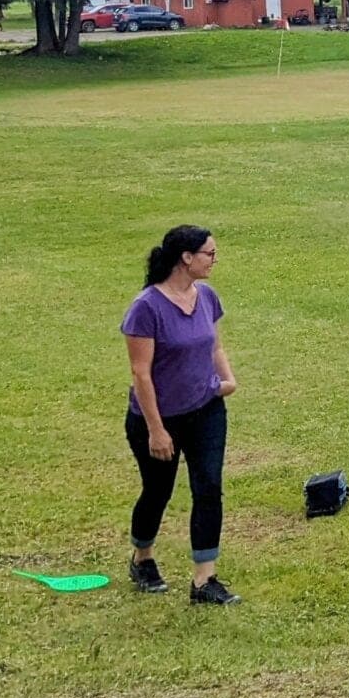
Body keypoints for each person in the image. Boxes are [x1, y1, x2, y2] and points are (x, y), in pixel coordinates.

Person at [121, 225, 239, 604]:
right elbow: (141, 373)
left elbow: (213, 343)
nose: (214, 260)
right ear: (185, 258)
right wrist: (156, 429)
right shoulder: (146, 308)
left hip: (206, 410)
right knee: (158, 491)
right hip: (158, 418)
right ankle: (143, 557)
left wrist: (227, 378)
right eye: (209, 253)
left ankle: (204, 580)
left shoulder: (206, 297)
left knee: (209, 487)